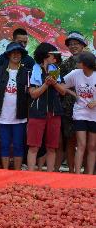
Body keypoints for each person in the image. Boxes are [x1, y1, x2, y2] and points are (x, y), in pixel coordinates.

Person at [0, 42, 29, 170]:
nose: (16, 55)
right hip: (3, 115)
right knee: (4, 144)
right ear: (8, 55)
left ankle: (17, 172)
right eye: (13, 52)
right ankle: (5, 172)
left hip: (19, 116)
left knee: (19, 145)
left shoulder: (26, 72)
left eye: (18, 53)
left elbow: (30, 94)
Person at [27, 42, 67, 172]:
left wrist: (54, 83)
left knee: (52, 147)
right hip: (37, 112)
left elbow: (63, 91)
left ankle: (49, 176)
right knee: (33, 146)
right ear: (45, 55)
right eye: (52, 54)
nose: (55, 58)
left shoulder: (55, 70)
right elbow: (33, 94)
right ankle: (30, 177)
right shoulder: (34, 70)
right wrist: (45, 84)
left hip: (54, 112)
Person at [61, 51, 96, 175]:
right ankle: (77, 175)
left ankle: (90, 175)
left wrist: (95, 102)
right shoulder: (75, 74)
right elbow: (61, 85)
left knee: (92, 146)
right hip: (80, 113)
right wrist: (74, 94)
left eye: (79, 61)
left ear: (85, 64)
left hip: (94, 116)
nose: (77, 63)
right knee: (81, 144)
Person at [59, 32, 88, 170]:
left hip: (89, 108)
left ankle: (89, 173)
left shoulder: (92, 62)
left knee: (88, 142)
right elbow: (61, 85)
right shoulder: (65, 64)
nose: (73, 46)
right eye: (71, 44)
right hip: (69, 108)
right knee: (70, 141)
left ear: (83, 45)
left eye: (76, 43)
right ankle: (71, 172)